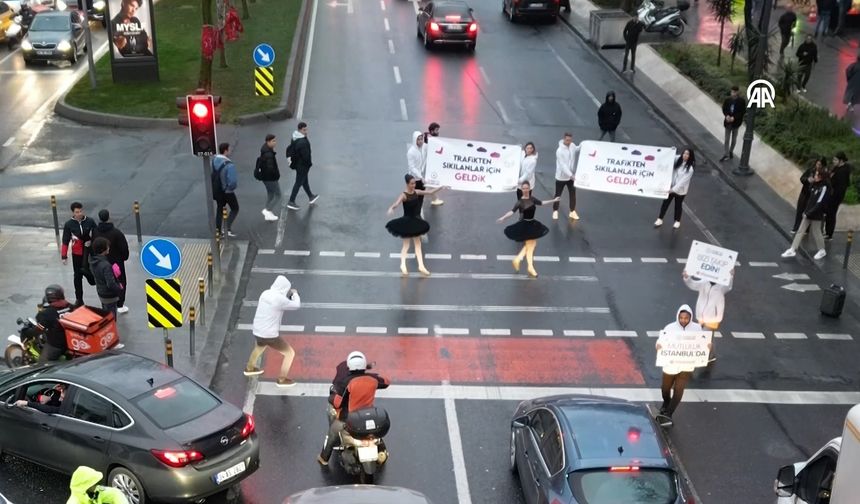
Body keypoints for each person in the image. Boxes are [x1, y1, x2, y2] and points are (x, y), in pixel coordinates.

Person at [318, 351, 390, 466]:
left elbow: (338, 403)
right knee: (376, 435)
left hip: (349, 419)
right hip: (369, 416)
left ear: (349, 366)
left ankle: (323, 458)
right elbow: (386, 382)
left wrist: (331, 397)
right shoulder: (372, 379)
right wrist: (373, 375)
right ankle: (382, 451)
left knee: (332, 433)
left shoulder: (346, 382)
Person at [244, 275, 300, 387]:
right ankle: (282, 379)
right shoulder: (279, 299)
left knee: (260, 347)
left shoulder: (265, 293)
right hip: (270, 334)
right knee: (289, 353)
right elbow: (296, 305)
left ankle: (250, 368)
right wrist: (295, 294)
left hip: (257, 330)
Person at [386, 175, 446, 276]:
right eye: (412, 184)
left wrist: (441, 187)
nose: (414, 185)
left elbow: (430, 192)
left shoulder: (417, 192)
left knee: (418, 244)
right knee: (406, 245)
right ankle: (403, 265)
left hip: (415, 221)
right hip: (406, 222)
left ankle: (421, 266)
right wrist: (391, 208)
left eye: (414, 183)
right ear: (407, 184)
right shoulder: (404, 195)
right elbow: (396, 204)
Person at [654, 305, 705, 426]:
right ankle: (666, 403)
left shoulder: (697, 328)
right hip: (670, 365)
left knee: (679, 390)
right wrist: (659, 345)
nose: (683, 320)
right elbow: (661, 340)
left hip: (686, 366)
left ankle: (668, 414)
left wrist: (707, 346)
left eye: (686, 318)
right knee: (665, 388)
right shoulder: (670, 328)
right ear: (678, 317)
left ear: (690, 317)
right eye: (681, 317)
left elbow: (703, 342)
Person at [497, 182, 559, 278]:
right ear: (521, 189)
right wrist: (503, 217)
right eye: (524, 188)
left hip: (532, 223)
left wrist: (554, 200)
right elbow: (512, 211)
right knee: (531, 246)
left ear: (529, 189)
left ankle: (519, 260)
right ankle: (529, 266)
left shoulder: (532, 199)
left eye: (527, 188)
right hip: (525, 225)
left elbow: (542, 203)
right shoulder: (520, 202)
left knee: (531, 245)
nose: (525, 190)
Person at [683, 268, 733, 362]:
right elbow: (692, 284)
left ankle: (708, 355)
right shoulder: (704, 282)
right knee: (708, 337)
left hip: (713, 318)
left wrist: (730, 275)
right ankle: (711, 354)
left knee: (705, 335)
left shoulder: (722, 287)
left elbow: (729, 286)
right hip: (701, 316)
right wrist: (687, 278)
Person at [782, 166, 831, 260]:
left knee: (816, 232)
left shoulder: (824, 188)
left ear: (821, 177)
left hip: (817, 214)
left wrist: (808, 213)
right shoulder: (814, 185)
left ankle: (822, 250)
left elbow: (819, 203)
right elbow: (810, 200)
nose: (814, 176)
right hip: (808, 212)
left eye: (816, 175)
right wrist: (806, 211)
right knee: (800, 230)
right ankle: (792, 249)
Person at [92, 210, 130, 314]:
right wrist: (123, 258)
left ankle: (105, 303)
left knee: (103, 281)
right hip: (116, 262)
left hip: (100, 262)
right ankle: (120, 304)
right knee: (120, 281)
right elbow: (124, 250)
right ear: (109, 217)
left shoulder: (95, 231)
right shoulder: (117, 233)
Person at [61, 202, 97, 307]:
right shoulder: (69, 225)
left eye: (81, 211)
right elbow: (65, 241)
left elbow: (97, 234)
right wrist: (64, 256)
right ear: (73, 212)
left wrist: (92, 242)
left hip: (89, 252)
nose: (79, 213)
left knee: (92, 274)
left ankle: (93, 281)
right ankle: (79, 299)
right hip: (77, 254)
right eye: (77, 212)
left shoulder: (90, 221)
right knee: (77, 277)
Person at [654, 148, 695, 229]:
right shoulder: (678, 159)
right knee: (665, 203)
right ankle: (660, 218)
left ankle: (677, 221)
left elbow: (682, 182)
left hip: (680, 191)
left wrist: (672, 190)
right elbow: (669, 156)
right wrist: (671, 150)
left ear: (690, 156)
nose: (685, 155)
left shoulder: (690, 169)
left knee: (678, 205)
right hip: (670, 186)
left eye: (687, 154)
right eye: (684, 153)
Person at [286, 122, 320, 210]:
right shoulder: (302, 142)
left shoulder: (295, 137)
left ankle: (311, 196)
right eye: (304, 130)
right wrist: (309, 164)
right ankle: (291, 201)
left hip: (298, 164)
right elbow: (306, 156)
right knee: (298, 183)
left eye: (306, 129)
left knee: (304, 181)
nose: (306, 132)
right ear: (300, 130)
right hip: (303, 166)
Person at [37, 285, 73, 362]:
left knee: (42, 363)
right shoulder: (71, 306)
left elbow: (39, 329)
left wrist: (30, 332)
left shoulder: (47, 313)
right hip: (72, 341)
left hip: (58, 345)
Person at [89, 237, 122, 316]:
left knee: (105, 314)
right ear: (103, 249)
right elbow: (110, 283)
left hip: (101, 292)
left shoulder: (93, 262)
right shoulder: (106, 265)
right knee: (111, 318)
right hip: (109, 296)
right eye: (107, 246)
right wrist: (119, 287)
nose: (109, 248)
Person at [213, 143, 239, 237]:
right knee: (235, 208)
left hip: (218, 190)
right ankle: (227, 228)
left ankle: (218, 231)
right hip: (227, 191)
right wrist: (230, 188)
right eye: (229, 149)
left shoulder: (215, 160)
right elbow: (232, 182)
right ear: (225, 150)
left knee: (220, 209)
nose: (230, 150)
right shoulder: (229, 165)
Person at [792, 158, 823, 234]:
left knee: (807, 213)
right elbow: (802, 178)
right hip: (804, 193)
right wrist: (807, 180)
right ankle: (796, 227)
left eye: (820, 165)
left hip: (812, 196)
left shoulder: (822, 174)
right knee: (800, 211)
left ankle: (806, 229)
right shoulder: (810, 170)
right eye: (817, 164)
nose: (818, 166)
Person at [553, 133, 579, 221]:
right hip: (561, 177)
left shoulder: (572, 145)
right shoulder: (559, 151)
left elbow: (577, 149)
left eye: (570, 140)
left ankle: (572, 211)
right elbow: (563, 165)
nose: (569, 142)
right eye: (567, 140)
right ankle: (555, 211)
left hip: (571, 176)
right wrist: (571, 175)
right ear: (564, 139)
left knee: (573, 194)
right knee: (558, 194)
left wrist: (584, 144)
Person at [825, 152, 851, 239]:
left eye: (835, 160)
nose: (833, 161)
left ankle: (829, 234)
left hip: (835, 196)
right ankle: (827, 231)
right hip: (830, 194)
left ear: (841, 161)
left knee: (831, 214)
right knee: (828, 213)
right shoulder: (836, 168)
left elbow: (842, 186)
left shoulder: (843, 171)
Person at [719, 86, 746, 162]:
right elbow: (724, 108)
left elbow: (742, 112)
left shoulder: (741, 101)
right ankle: (726, 154)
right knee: (727, 139)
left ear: (737, 92)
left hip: (736, 123)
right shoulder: (728, 100)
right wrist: (726, 115)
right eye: (731, 92)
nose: (732, 93)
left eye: (734, 92)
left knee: (733, 139)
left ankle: (731, 151)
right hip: (728, 123)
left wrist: (734, 118)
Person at [422, 122, 444, 206]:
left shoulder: (428, 139)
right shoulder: (429, 142)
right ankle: (434, 198)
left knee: (428, 184)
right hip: (427, 166)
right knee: (429, 184)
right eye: (436, 130)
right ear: (431, 131)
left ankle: (433, 198)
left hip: (427, 165)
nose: (438, 132)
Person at [407, 130, 429, 208]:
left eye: (421, 139)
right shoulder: (411, 152)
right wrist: (420, 177)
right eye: (418, 139)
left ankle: (418, 213)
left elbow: (433, 147)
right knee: (414, 198)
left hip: (422, 178)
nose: (420, 141)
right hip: (414, 179)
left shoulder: (424, 147)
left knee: (421, 197)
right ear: (415, 140)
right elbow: (412, 167)